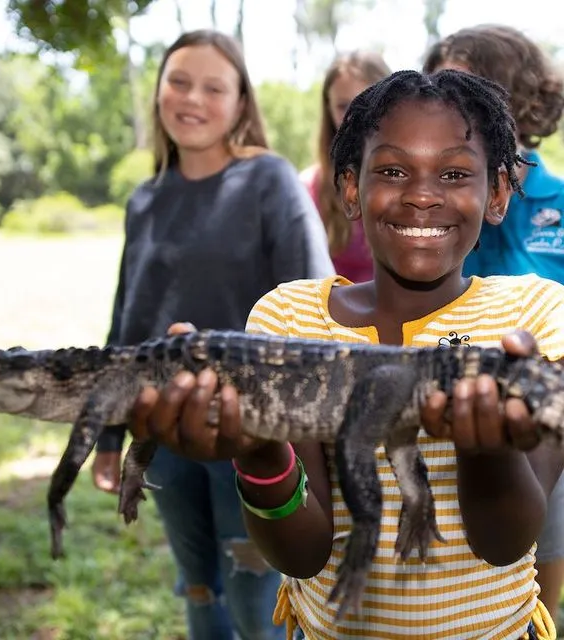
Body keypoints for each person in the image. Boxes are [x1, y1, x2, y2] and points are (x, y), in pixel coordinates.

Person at [127, 69, 564, 639]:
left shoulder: (535, 317)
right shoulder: (290, 319)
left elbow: (506, 543)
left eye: (455, 173)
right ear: (351, 189)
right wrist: (261, 457)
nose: (423, 193)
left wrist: (487, 451)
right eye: (391, 171)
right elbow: (304, 554)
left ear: (499, 193)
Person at [90, 29, 334, 640]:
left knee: (257, 594)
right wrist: (107, 433)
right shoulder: (144, 199)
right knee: (197, 584)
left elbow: (313, 305)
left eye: (213, 86)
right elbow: (128, 320)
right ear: (158, 92)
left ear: (241, 103)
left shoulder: (268, 181)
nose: (192, 98)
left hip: (247, 433)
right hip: (161, 430)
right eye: (178, 80)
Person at [423, 24, 564, 624]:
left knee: (534, 583)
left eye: (468, 85)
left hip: (547, 428)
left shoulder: (557, 202)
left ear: (519, 94)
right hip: (436, 409)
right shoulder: (432, 201)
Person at [300, 51, 391, 283]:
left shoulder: (416, 185)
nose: (355, 115)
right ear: (328, 110)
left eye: (369, 101)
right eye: (343, 106)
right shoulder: (309, 189)